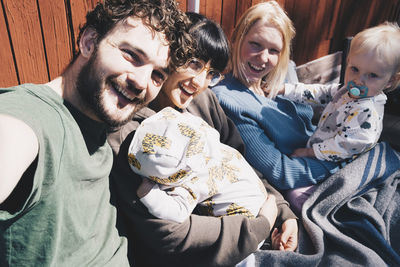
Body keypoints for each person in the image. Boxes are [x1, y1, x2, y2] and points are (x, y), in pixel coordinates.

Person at [0, 0, 192, 265]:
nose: (142, 82)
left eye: (158, 74)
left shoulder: (97, 119)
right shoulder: (28, 118)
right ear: (89, 42)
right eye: (132, 55)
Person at [108, 12, 298, 267]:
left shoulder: (203, 101)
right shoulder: (136, 135)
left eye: (212, 73)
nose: (198, 82)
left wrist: (283, 211)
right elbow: (168, 234)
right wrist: (258, 226)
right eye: (194, 63)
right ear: (171, 55)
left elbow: (240, 163)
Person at [211, 0, 341, 212]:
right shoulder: (228, 99)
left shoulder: (282, 76)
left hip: (326, 151)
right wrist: (339, 161)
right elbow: (281, 172)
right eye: (255, 44)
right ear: (236, 39)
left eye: (274, 50)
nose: (263, 58)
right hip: (311, 177)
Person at [280, 22, 400, 162]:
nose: (358, 80)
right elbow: (319, 92)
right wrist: (285, 89)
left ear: (391, 80)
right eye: (355, 69)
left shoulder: (366, 113)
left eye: (372, 75)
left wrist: (309, 152)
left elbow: (344, 147)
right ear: (348, 62)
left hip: (334, 161)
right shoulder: (346, 90)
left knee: (286, 172)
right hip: (320, 142)